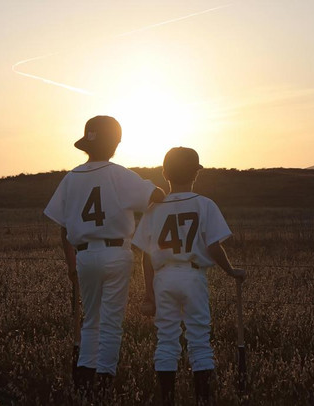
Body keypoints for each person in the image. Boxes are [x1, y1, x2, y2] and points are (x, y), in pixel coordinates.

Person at [43, 115, 165, 397]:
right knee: (111, 322)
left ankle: (85, 380)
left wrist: (70, 264)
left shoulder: (71, 177)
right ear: (116, 144)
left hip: (84, 256)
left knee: (91, 321)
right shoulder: (119, 174)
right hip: (116, 253)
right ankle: (105, 381)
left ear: (86, 144)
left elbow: (63, 229)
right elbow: (156, 195)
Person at [132, 147, 246, 405]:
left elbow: (146, 256)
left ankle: (168, 398)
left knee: (166, 338)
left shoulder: (154, 208)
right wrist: (231, 271)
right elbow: (215, 246)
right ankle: (202, 398)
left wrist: (148, 293)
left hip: (163, 278)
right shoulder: (204, 204)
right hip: (193, 276)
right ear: (196, 174)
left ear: (164, 173)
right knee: (199, 338)